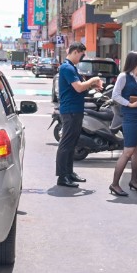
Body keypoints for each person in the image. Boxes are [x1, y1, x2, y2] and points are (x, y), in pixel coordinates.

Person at [55, 42, 103, 188]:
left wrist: (93, 85)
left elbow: (81, 88)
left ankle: (69, 172)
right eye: (81, 55)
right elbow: (78, 87)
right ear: (76, 52)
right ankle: (62, 176)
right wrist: (93, 80)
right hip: (70, 110)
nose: (81, 58)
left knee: (73, 142)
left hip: (75, 109)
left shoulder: (72, 68)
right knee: (66, 143)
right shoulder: (67, 68)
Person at [109, 51, 137, 196]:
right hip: (130, 117)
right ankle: (115, 184)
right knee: (128, 151)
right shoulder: (124, 76)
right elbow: (115, 95)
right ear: (134, 62)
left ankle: (134, 181)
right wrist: (128, 104)